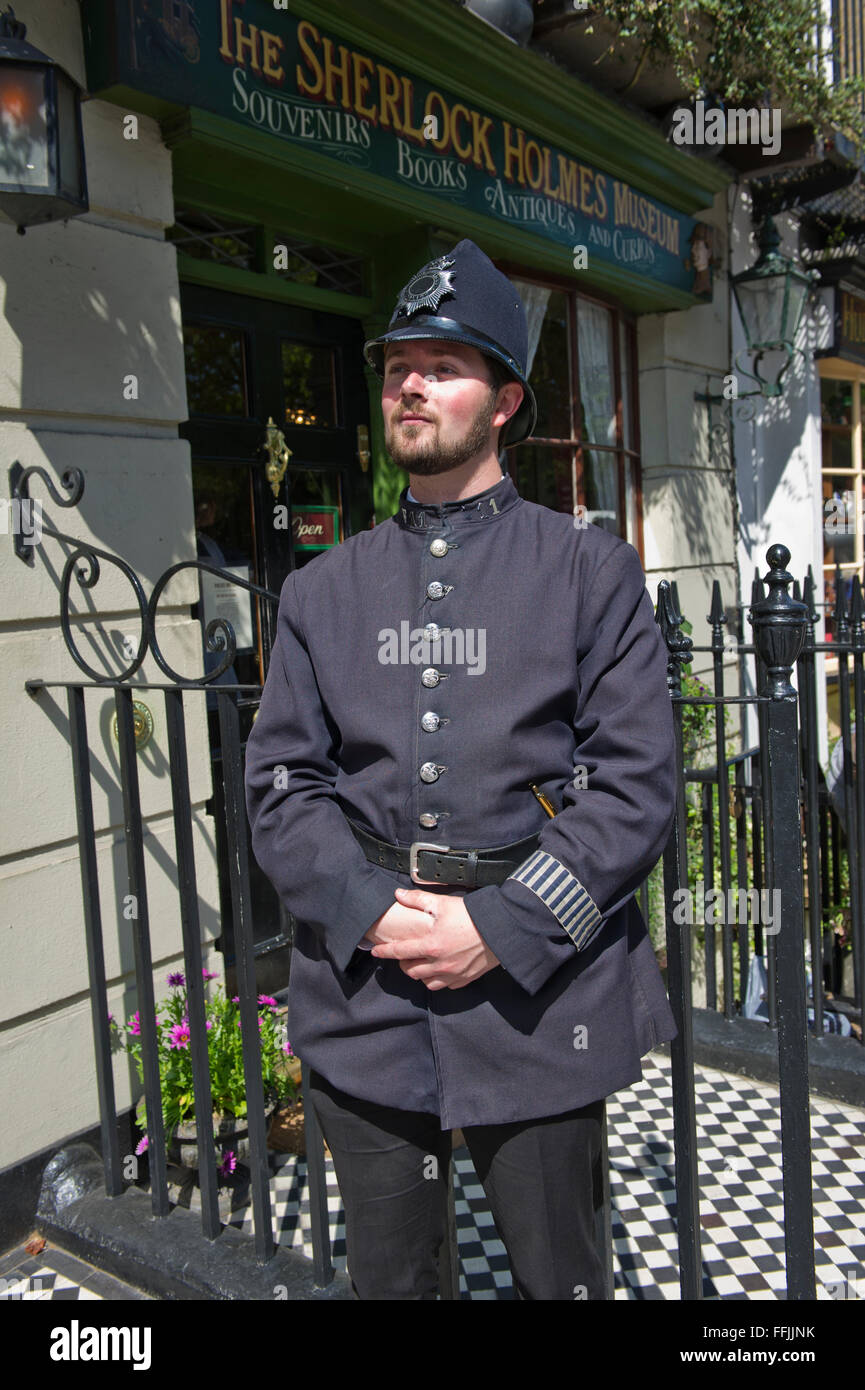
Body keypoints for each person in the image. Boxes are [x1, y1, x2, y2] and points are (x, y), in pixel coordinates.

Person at [244, 239, 678, 1300]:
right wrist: (367, 908)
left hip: (541, 999)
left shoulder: (587, 572)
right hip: (366, 995)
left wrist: (501, 927)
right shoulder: (321, 592)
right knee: (391, 1282)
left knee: (557, 1277)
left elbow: (634, 786)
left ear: (504, 402)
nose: (410, 381)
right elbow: (281, 785)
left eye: (443, 364)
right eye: (399, 363)